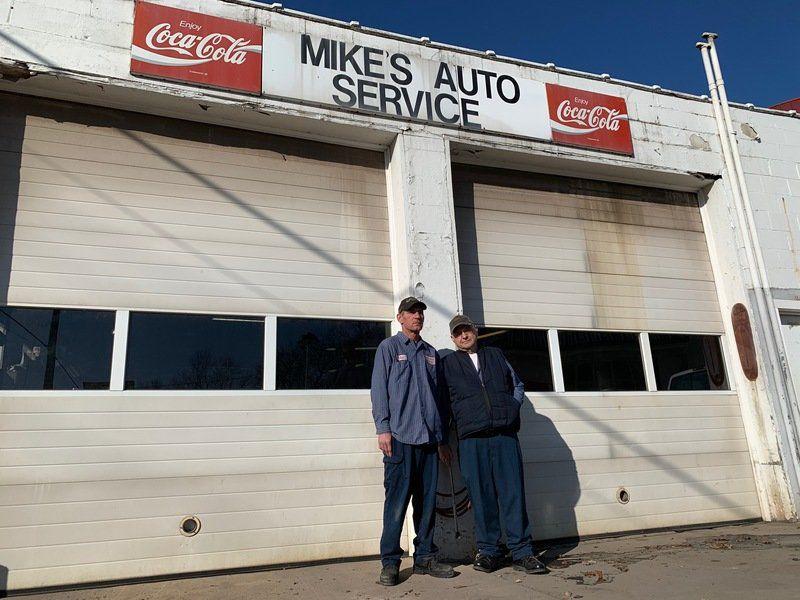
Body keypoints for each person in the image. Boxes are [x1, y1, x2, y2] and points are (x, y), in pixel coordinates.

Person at [440, 314, 548, 575]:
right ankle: (490, 552)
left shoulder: (496, 355)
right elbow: (443, 405)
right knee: (481, 496)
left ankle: (522, 552)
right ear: (452, 339)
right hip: (471, 440)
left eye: (467, 330)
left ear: (475, 331)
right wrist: (443, 439)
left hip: (504, 436)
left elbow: (517, 385)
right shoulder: (449, 365)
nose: (464, 335)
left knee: (513, 494)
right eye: (458, 333)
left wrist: (511, 408)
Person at [371, 297, 455, 586]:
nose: (417, 316)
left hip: (430, 441)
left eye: (420, 312)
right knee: (396, 503)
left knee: (427, 502)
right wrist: (383, 428)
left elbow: (440, 399)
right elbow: (379, 390)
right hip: (400, 439)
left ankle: (426, 558)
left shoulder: (431, 353)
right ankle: (390, 563)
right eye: (411, 312)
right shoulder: (389, 348)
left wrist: (442, 439)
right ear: (400, 317)